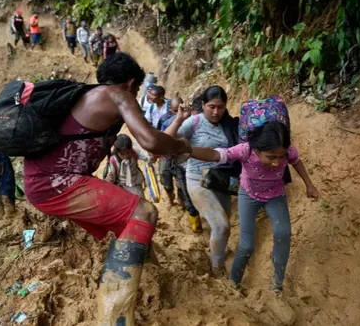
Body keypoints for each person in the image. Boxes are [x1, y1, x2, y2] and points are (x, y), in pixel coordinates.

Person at [23, 52, 191, 325]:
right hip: (54, 182)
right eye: (137, 89)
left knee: (126, 223)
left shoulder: (90, 95)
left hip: (43, 180)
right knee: (144, 212)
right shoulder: (118, 95)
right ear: (131, 83)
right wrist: (183, 147)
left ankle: (151, 277)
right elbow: (150, 141)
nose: (136, 95)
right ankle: (115, 319)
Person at [189, 121, 318, 325]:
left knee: (283, 234)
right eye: (271, 157)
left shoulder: (288, 151)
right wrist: (187, 149)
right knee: (247, 244)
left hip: (275, 196)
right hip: (248, 196)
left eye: (280, 156)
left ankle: (276, 287)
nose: (277, 162)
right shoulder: (245, 150)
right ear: (257, 150)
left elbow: (296, 161)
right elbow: (216, 155)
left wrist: (309, 185)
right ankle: (234, 283)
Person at [165, 85, 239, 277]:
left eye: (220, 107)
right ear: (204, 105)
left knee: (224, 225)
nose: (216, 112)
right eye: (211, 107)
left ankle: (218, 252)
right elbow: (164, 140)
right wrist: (180, 118)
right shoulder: (194, 122)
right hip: (198, 179)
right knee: (221, 225)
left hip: (222, 180)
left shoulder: (229, 124)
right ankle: (217, 268)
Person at [160, 96, 202, 233]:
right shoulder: (168, 123)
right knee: (184, 193)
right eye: (172, 110)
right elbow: (162, 141)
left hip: (198, 164)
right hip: (179, 165)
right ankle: (196, 225)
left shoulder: (199, 122)